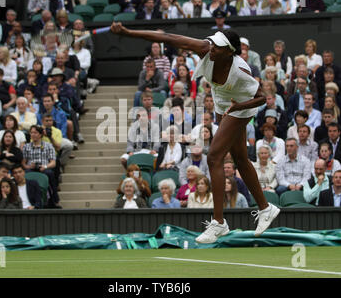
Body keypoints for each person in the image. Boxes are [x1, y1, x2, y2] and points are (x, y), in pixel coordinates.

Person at [110, 23, 280, 243]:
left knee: (214, 156)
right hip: (223, 103)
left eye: (218, 47)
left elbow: (261, 98)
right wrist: (128, 32)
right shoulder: (205, 48)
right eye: (213, 44)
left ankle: (219, 222)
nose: (212, 49)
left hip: (241, 106)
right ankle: (265, 209)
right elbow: (168, 37)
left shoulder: (241, 69)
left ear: (230, 52)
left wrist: (236, 108)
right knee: (239, 158)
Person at [22, 125, 60, 208]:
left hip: (44, 168)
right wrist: (29, 166)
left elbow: (53, 163)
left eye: (35, 133)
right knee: (25, 174)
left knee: (50, 174)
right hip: (31, 169)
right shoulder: (26, 146)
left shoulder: (48, 146)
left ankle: (54, 199)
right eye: (31, 133)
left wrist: (45, 166)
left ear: (40, 134)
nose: (33, 134)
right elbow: (23, 164)